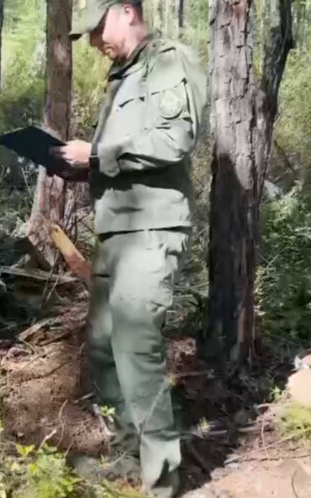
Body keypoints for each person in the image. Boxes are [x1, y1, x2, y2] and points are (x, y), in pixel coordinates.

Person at [54, 1, 208, 496]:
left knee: (136, 347)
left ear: (126, 12)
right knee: (102, 347)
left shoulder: (168, 60)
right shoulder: (123, 75)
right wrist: (84, 165)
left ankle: (162, 481)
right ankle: (127, 457)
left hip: (152, 227)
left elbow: (177, 139)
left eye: (97, 29)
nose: (95, 41)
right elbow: (125, 154)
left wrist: (98, 154)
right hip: (116, 232)